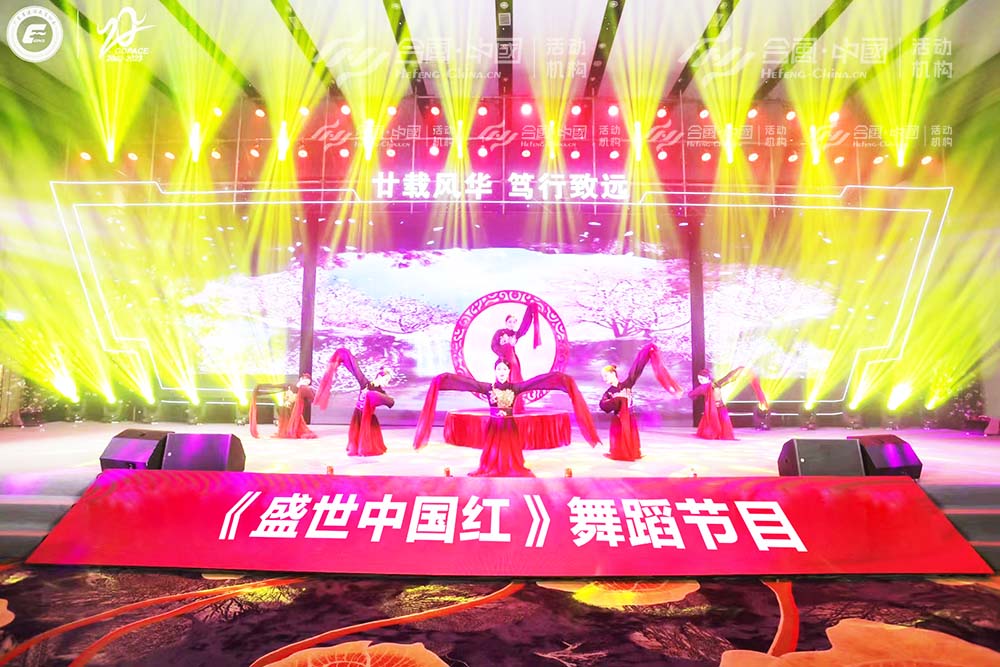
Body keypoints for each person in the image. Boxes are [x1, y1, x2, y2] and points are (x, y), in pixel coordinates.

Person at [413, 360, 600, 477]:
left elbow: (537, 382)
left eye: (504, 369)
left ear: (509, 371)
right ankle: (491, 467)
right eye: (499, 369)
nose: (502, 371)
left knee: (512, 456)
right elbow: (467, 383)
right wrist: (444, 379)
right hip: (495, 425)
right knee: (492, 452)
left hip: (510, 425)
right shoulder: (488, 388)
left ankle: (511, 467)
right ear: (495, 371)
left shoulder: (515, 388)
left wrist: (559, 378)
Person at [599, 343, 682, 461]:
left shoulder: (627, 384)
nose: (604, 379)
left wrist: (646, 351)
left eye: (606, 376)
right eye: (603, 377)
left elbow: (637, 368)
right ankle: (620, 453)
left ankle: (632, 452)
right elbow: (603, 405)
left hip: (629, 417)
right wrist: (616, 400)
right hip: (618, 420)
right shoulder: (609, 392)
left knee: (631, 436)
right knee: (619, 439)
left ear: (613, 374)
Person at [315, 348, 395, 456]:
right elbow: (356, 370)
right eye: (386, 380)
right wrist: (345, 355)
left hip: (368, 417)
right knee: (356, 434)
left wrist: (385, 399)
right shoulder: (365, 383)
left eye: (388, 381)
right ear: (379, 377)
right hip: (358, 414)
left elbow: (389, 402)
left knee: (367, 439)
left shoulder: (381, 392)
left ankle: (365, 449)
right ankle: (357, 448)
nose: (386, 383)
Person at [688, 367, 768, 440]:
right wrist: (737, 371)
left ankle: (721, 435)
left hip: (719, 407)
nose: (700, 381)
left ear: (708, 378)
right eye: (699, 379)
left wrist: (737, 371)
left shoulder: (713, 385)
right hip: (714, 408)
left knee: (723, 421)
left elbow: (727, 378)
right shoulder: (708, 386)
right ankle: (717, 435)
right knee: (718, 422)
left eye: (701, 379)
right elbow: (692, 394)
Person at [489, 302, 540, 414]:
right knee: (502, 380)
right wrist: (501, 355)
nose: (511, 324)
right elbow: (493, 346)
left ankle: (516, 407)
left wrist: (530, 312)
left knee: (515, 381)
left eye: (514, 322)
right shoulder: (499, 332)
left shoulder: (515, 334)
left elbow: (524, 326)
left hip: (513, 360)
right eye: (510, 322)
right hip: (503, 361)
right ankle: (502, 406)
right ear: (506, 322)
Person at [250, 374, 317, 439]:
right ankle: (287, 429)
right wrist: (261, 386)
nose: (305, 382)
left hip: (295, 409)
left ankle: (291, 430)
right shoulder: (290, 386)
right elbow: (276, 386)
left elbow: (312, 399)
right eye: (304, 380)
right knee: (284, 414)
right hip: (287, 408)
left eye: (307, 382)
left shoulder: (305, 389)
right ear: (301, 379)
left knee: (296, 423)